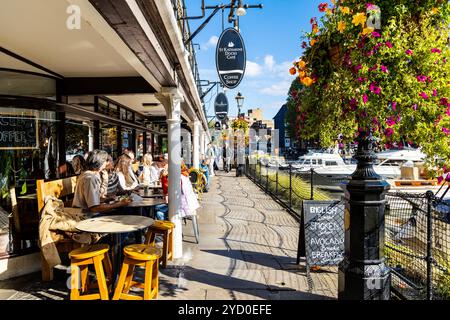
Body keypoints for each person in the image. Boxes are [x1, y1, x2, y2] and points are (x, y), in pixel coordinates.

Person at [72, 150, 131, 214]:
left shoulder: (88, 174)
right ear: (100, 162)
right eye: (106, 161)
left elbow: (90, 201)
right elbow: (95, 208)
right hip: (86, 216)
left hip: (88, 213)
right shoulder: (90, 178)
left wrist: (107, 199)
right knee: (127, 211)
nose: (107, 163)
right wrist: (119, 204)